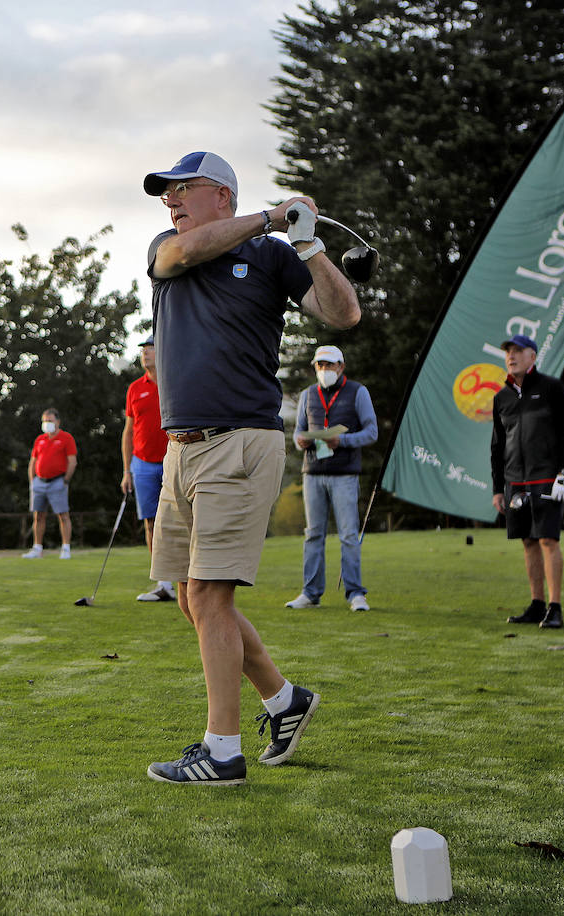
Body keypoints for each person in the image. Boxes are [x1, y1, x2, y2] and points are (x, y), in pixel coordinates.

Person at [140, 150, 360, 785]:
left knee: (210, 593)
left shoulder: (270, 256)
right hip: (180, 448)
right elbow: (182, 254)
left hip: (240, 441)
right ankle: (284, 700)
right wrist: (271, 215)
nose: (171, 202)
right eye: (167, 194)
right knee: (190, 598)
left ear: (222, 197)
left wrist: (309, 243)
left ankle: (223, 751)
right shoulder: (167, 247)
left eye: (184, 190)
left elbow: (343, 314)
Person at [490, 334, 564, 629]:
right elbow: (497, 446)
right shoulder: (501, 398)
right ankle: (537, 604)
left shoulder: (551, 388)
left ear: (533, 356)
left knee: (548, 539)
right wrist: (497, 489)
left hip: (547, 479)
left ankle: (555, 608)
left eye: (518, 351)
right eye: (508, 352)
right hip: (516, 483)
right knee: (528, 541)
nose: (511, 356)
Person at [286, 345, 378, 611]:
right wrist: (300, 442)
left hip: (345, 474)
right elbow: (299, 432)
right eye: (320, 365)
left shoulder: (358, 392)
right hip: (313, 473)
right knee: (313, 534)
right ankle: (310, 593)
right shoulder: (307, 394)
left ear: (341, 367)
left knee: (348, 535)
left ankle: (355, 594)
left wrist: (344, 440)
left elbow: (371, 432)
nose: (324, 370)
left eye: (330, 365)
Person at [121, 336, 174, 601]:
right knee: (151, 522)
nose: (146, 353)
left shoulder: (173, 382)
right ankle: (162, 582)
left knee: (179, 520)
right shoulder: (134, 389)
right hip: (141, 464)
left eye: (151, 348)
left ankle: (186, 579)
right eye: (143, 349)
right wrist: (126, 470)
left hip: (172, 461)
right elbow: (128, 432)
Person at [22, 408, 77, 559]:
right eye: (45, 421)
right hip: (39, 482)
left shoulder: (66, 438)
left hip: (58, 481)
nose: (47, 424)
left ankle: (65, 548)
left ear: (58, 422)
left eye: (50, 421)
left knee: (63, 515)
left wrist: (65, 480)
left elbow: (72, 461)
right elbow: (33, 462)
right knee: (38, 516)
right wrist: (32, 481)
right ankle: (37, 548)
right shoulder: (40, 439)